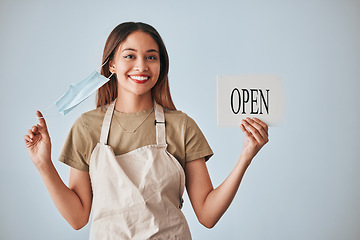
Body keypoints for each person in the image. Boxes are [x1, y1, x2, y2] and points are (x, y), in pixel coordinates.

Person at [24, 22, 269, 239]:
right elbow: (77, 218)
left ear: (161, 65)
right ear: (112, 64)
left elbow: (207, 215)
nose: (141, 66)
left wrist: (245, 157)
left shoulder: (182, 126)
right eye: (130, 56)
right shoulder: (86, 127)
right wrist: (43, 164)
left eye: (151, 57)